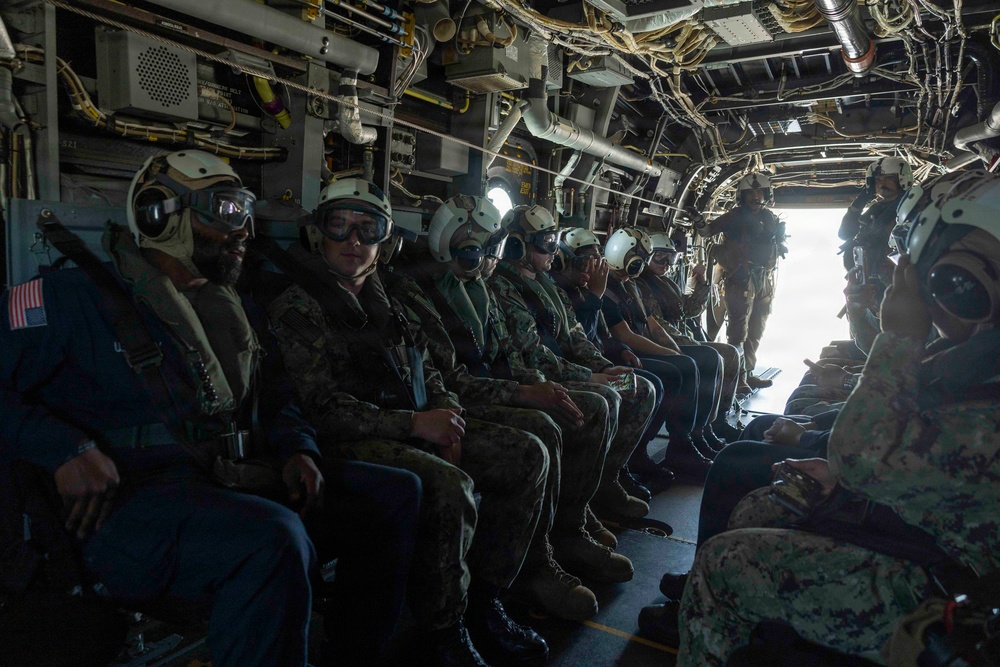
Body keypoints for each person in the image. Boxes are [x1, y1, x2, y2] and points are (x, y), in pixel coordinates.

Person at [0, 150, 421, 667]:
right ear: (161, 213)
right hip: (127, 508)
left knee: (395, 494)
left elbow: (275, 397)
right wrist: (64, 447)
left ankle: (355, 654)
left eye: (244, 213)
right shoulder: (71, 298)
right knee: (272, 540)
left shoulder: (226, 309)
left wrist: (297, 450)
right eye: (223, 212)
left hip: (223, 480)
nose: (242, 230)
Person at [676, 169, 1000, 665]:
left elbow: (863, 456)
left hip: (959, 584)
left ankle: (716, 602)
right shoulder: (976, 352)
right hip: (946, 544)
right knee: (758, 490)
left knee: (730, 547)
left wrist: (899, 334)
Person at [266, 178, 551, 667]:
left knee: (527, 454)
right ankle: (442, 631)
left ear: (385, 240)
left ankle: (485, 599)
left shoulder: (389, 299)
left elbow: (430, 369)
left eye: (368, 228)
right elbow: (321, 409)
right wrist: (416, 425)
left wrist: (450, 419)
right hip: (348, 440)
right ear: (320, 234)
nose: (353, 241)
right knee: (447, 484)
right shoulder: (299, 307)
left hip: (411, 420)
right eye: (340, 226)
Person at [386, 194, 627, 622]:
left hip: (482, 391)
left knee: (565, 414)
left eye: (488, 247)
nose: (484, 259)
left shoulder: (476, 285)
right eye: (475, 247)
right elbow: (450, 379)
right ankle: (517, 577)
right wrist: (523, 393)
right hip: (458, 402)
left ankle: (558, 536)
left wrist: (539, 383)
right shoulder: (419, 293)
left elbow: (509, 357)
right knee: (536, 439)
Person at [489, 205, 657, 521]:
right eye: (546, 243)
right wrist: (592, 378)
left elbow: (575, 336)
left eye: (554, 241)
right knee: (603, 400)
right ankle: (574, 513)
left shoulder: (546, 283)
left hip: (573, 372)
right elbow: (535, 354)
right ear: (516, 245)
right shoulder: (503, 286)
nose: (554, 251)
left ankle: (605, 481)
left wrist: (604, 367)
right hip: (541, 377)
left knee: (639, 386)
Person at [548, 227, 679, 496]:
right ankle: (604, 479)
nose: (591, 270)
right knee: (644, 385)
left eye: (596, 263)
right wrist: (595, 296)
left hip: (596, 363)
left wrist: (618, 351)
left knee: (651, 383)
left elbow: (599, 335)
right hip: (574, 370)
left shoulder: (585, 291)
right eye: (585, 263)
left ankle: (623, 464)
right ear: (563, 260)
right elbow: (575, 340)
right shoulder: (564, 292)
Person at [601, 228, 727, 466]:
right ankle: (642, 454)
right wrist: (671, 355)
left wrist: (675, 350)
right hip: (621, 359)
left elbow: (653, 326)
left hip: (639, 350)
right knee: (674, 372)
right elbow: (625, 335)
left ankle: (693, 435)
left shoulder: (632, 285)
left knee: (708, 357)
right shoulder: (607, 287)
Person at [636, 232, 742, 442]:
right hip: (660, 342)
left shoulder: (666, 284)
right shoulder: (640, 284)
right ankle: (695, 430)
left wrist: (700, 283)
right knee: (711, 357)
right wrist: (687, 344)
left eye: (670, 259)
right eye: (659, 257)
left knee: (730, 353)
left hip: (677, 338)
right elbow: (657, 326)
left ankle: (716, 421)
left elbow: (688, 310)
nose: (666, 264)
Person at [700, 171, 787, 391]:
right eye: (751, 193)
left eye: (759, 192)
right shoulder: (734, 216)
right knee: (738, 331)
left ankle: (748, 373)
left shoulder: (768, 217)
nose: (756, 197)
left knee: (757, 328)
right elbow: (708, 231)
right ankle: (735, 378)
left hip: (764, 279)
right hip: (741, 278)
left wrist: (781, 244)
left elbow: (773, 239)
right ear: (742, 196)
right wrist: (699, 222)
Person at [839, 157, 915, 353]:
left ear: (902, 179)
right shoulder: (874, 209)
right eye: (878, 179)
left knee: (891, 337)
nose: (882, 183)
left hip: (892, 284)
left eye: (889, 178)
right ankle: (869, 372)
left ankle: (882, 374)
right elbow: (844, 234)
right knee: (863, 332)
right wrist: (859, 202)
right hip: (867, 284)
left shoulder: (911, 207)